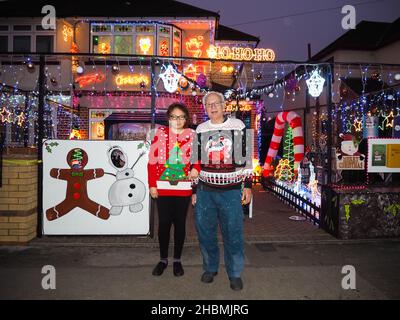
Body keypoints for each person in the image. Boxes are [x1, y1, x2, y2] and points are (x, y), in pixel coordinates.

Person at [190, 91, 253, 291]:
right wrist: (194, 190)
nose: (213, 107)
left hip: (231, 190)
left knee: (233, 232)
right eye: (209, 104)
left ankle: (234, 273)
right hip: (204, 190)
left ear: (224, 105)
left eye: (217, 103)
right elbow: (195, 161)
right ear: (205, 108)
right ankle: (210, 267)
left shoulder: (238, 125)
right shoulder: (200, 129)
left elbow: (247, 156)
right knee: (205, 232)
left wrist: (248, 185)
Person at [148, 103, 199, 277]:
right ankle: (163, 259)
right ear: (168, 118)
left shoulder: (192, 135)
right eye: (174, 117)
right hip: (162, 188)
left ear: (186, 119)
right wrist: (152, 184)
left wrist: (196, 168)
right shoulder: (160, 134)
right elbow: (152, 161)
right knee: (163, 224)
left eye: (181, 117)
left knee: (179, 224)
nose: (177, 120)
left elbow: (198, 158)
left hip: (184, 188)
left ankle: (177, 260)